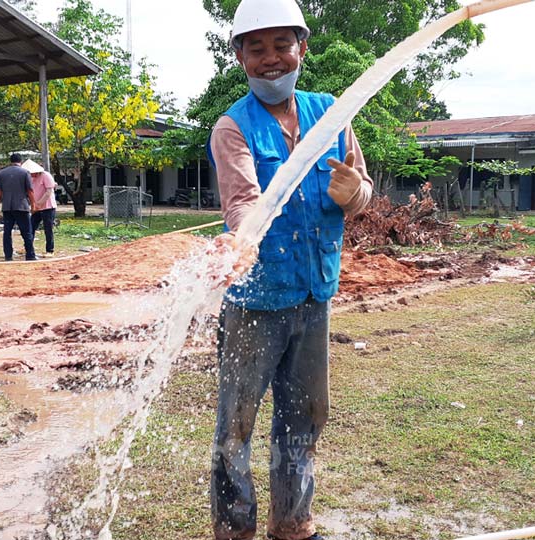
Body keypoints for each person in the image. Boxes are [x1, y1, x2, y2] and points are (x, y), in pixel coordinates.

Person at [207, 0, 373, 538]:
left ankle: (293, 525)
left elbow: (361, 187)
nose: (271, 59)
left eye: (282, 45)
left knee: (304, 419)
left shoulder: (332, 112)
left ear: (303, 48)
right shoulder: (232, 126)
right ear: (240, 58)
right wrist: (244, 237)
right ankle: (235, 530)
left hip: (313, 293)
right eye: (257, 48)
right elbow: (242, 201)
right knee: (237, 426)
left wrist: (357, 196)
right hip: (255, 301)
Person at [0, 153, 36, 261]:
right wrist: (33, 204)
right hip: (21, 206)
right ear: (20, 162)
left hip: (7, 206)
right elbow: (30, 190)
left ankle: (8, 255)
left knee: (7, 232)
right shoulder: (25, 172)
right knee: (26, 232)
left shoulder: (2, 173)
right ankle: (30, 255)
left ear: (10, 161)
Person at [22, 159, 57, 258]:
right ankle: (28, 247)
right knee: (31, 227)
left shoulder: (46, 176)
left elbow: (48, 192)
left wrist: (39, 203)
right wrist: (33, 204)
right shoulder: (30, 178)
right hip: (36, 207)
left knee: (48, 228)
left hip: (48, 207)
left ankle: (50, 250)